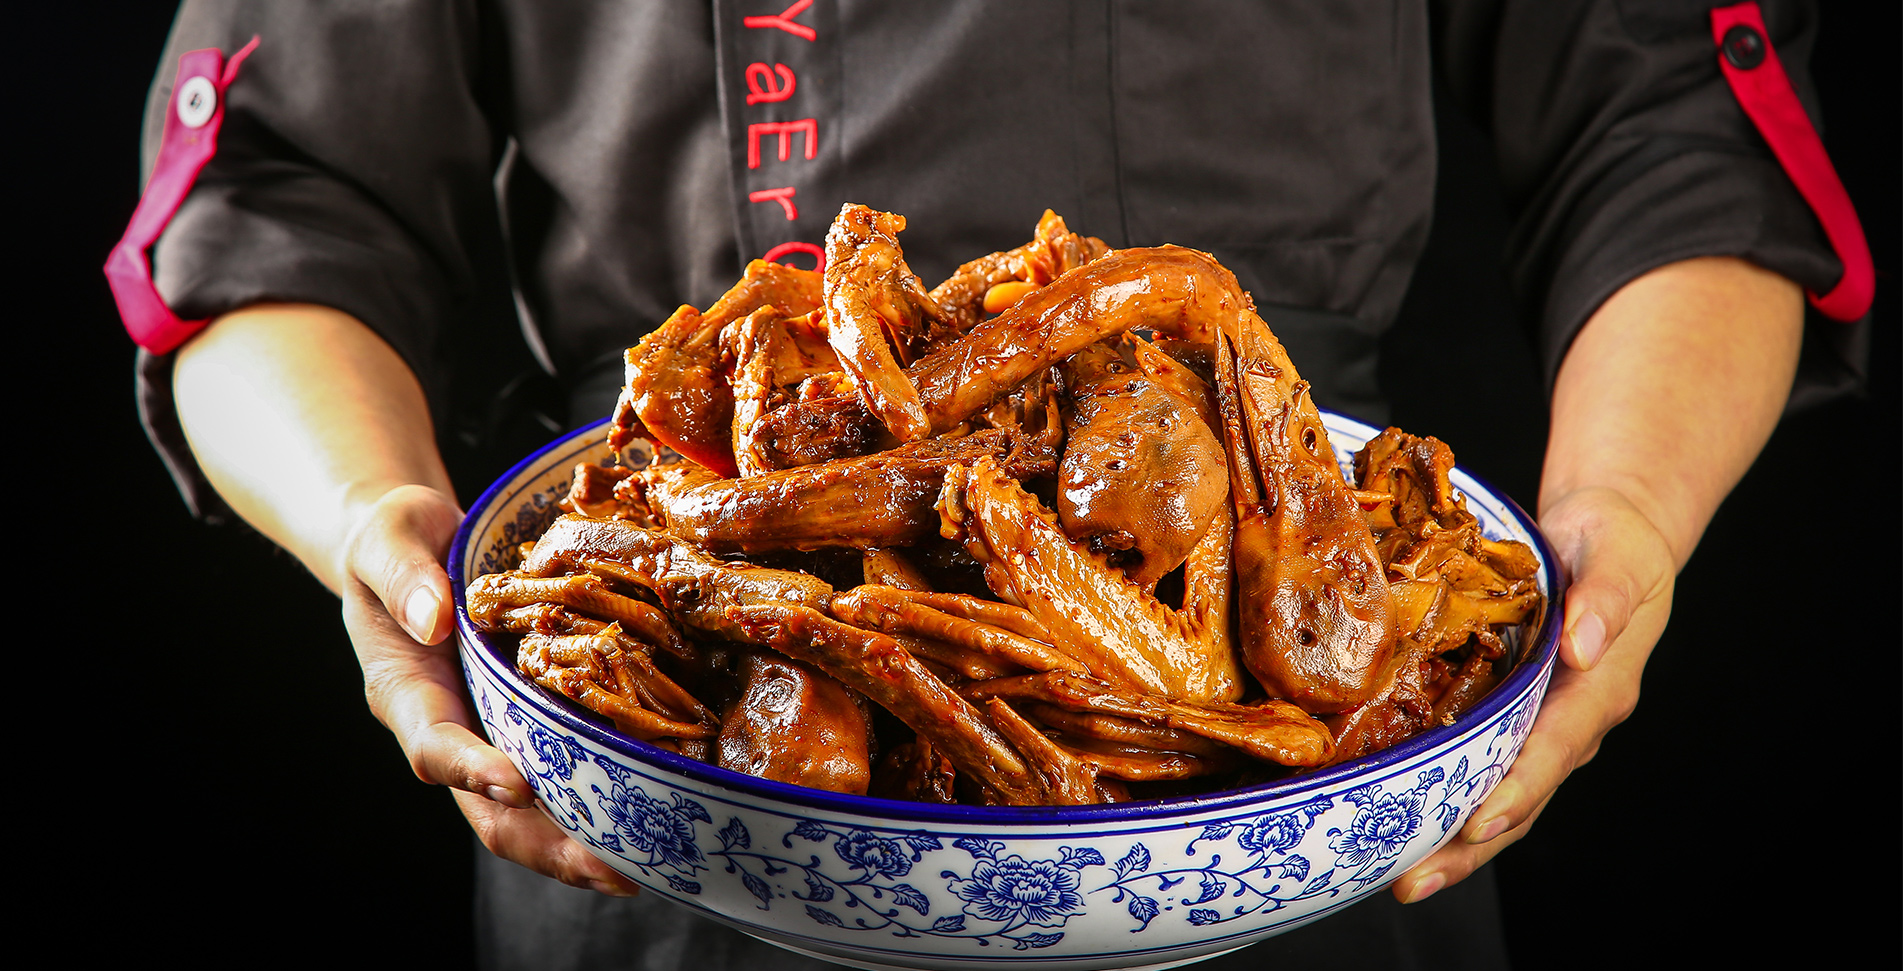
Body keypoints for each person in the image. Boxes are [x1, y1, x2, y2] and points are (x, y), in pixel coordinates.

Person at [115, 1, 1867, 967]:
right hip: (661, 830)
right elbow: (277, 201)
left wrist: (1625, 520)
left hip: (1323, 821)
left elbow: (1675, 128)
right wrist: (372, 521)